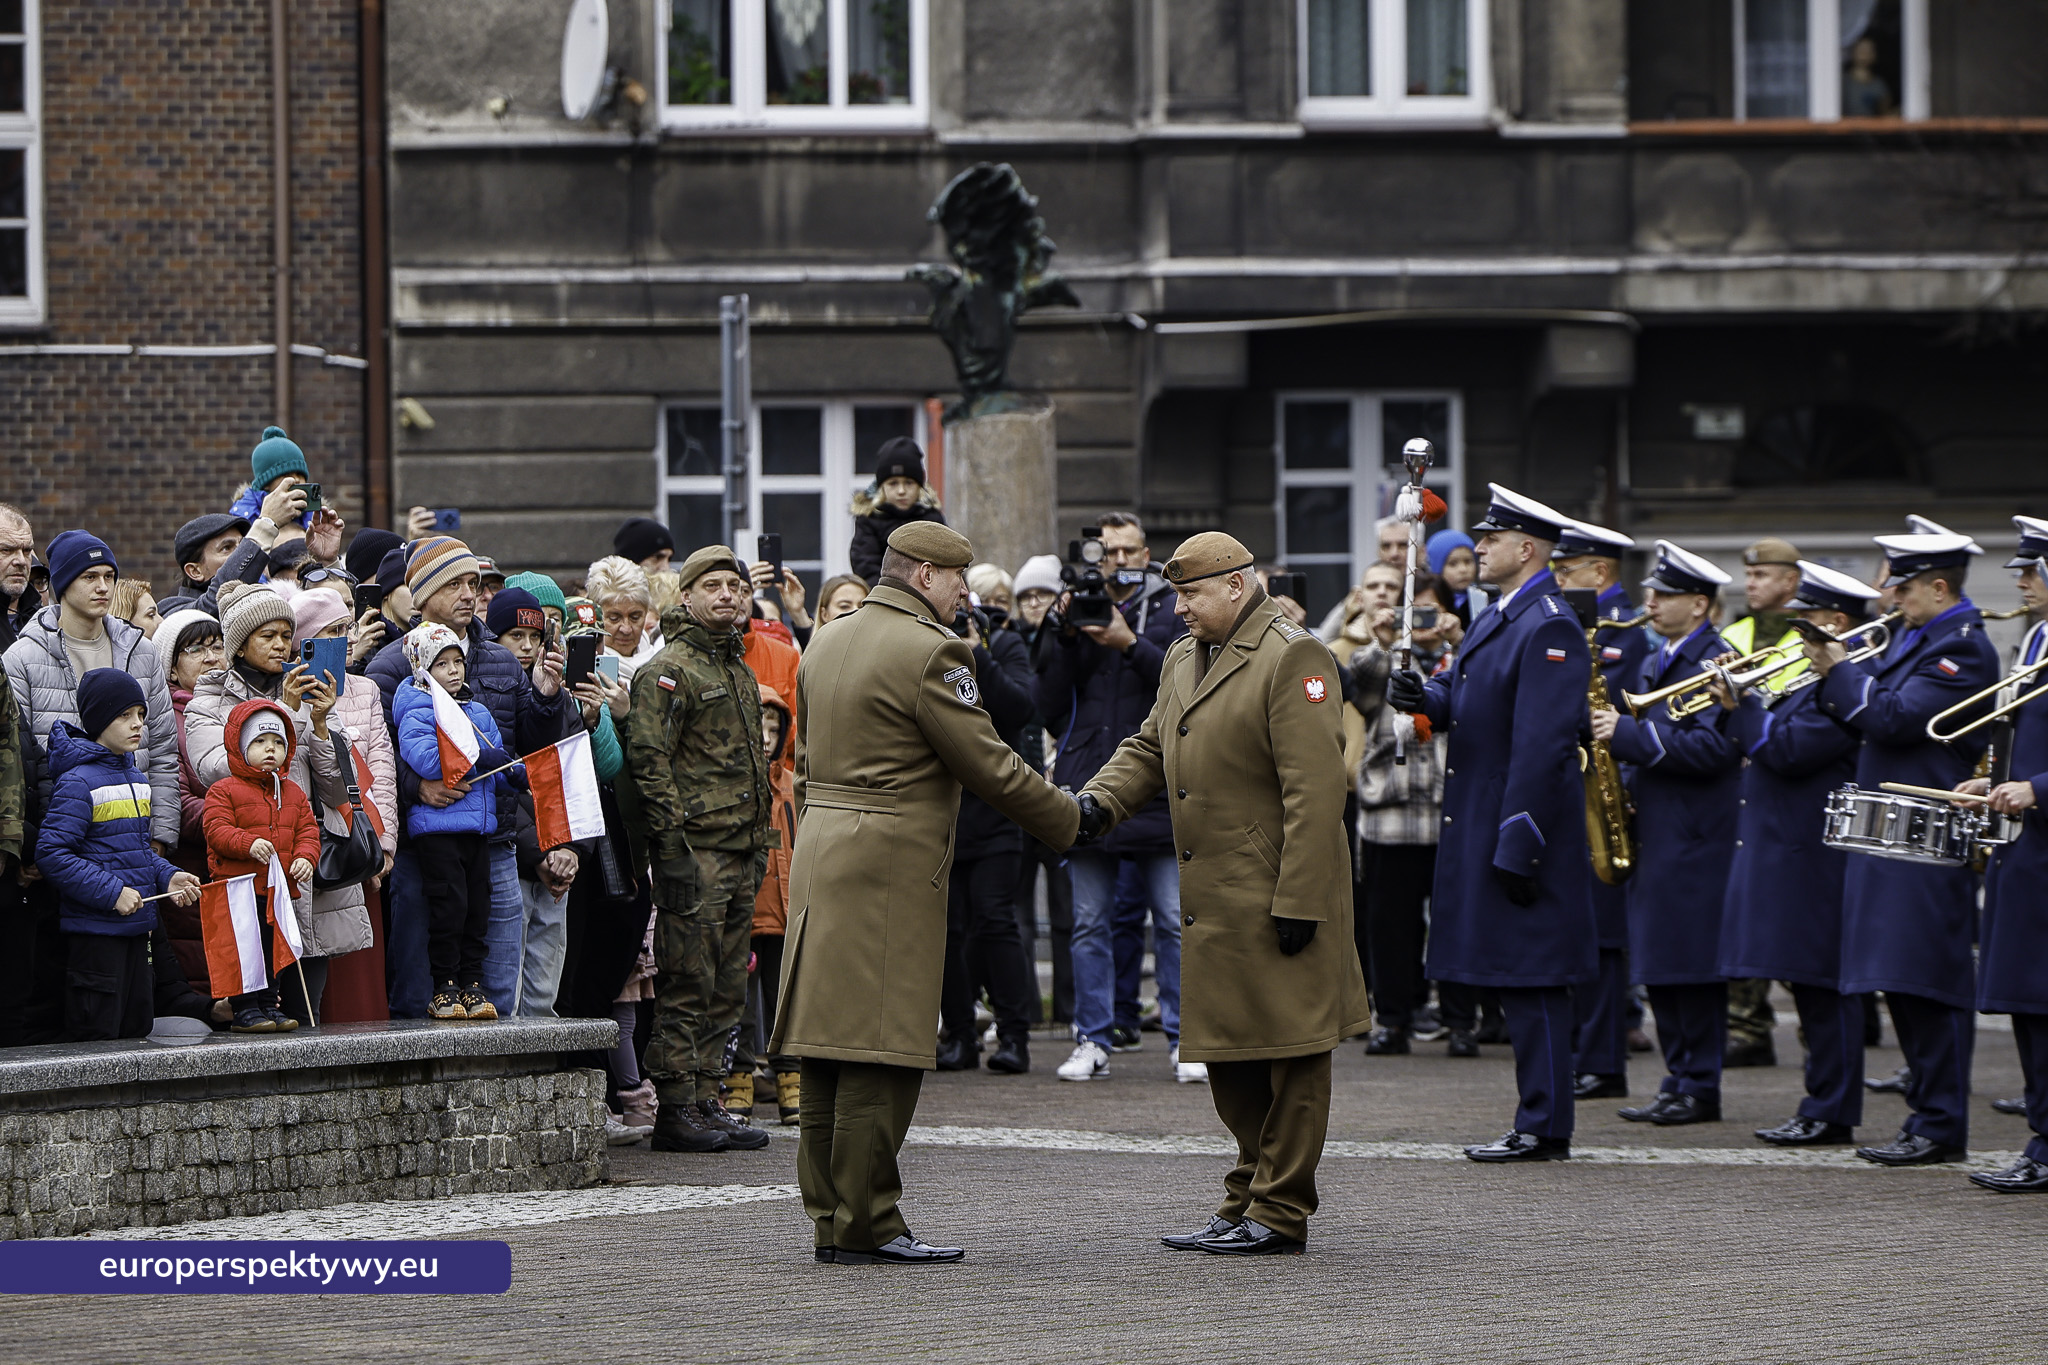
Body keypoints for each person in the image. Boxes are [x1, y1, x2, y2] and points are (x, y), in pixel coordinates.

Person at [772, 521, 1080, 1265]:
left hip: (821, 852)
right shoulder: (933, 650)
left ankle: (829, 1220)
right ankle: (869, 1221)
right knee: (880, 1048)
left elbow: (809, 764)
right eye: (956, 578)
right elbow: (990, 764)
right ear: (922, 575)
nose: (963, 593)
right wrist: (1071, 817)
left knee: (825, 1049)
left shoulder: (828, 638)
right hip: (887, 865)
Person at [1079, 532, 1368, 1255]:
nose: (1178, 608)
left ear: (1237, 586)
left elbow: (1316, 789)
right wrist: (1094, 805)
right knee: (1233, 1056)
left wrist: (1301, 899)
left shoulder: (1293, 654)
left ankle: (1278, 1210)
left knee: (1292, 1055)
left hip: (1278, 892)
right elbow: (1149, 745)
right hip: (1216, 894)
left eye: (1191, 593)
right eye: (1176, 594)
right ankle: (1247, 1192)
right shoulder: (1184, 655)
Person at [1388, 485, 1598, 1162]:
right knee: (1515, 973)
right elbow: (1473, 699)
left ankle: (1544, 1122)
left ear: (1527, 548)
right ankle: (1536, 1114)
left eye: (1492, 538)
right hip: (1487, 815)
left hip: (1519, 826)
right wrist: (1428, 695)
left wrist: (1521, 838)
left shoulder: (1549, 623)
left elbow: (1542, 744)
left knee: (1533, 975)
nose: (1478, 547)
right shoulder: (1501, 616)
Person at [1805, 529, 1998, 1166]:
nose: (1891, 595)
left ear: (1939, 587)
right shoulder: (1915, 635)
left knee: (1928, 978)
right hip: (1889, 828)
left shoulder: (1962, 649)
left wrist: (1837, 670)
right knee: (1897, 978)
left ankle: (1940, 1123)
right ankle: (1926, 1116)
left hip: (1926, 827)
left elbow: (1894, 718)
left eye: (1905, 586)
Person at [367, 535, 569, 1018]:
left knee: (496, 987)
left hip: (493, 839)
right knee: (422, 988)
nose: (468, 594)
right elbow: (375, 753)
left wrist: (544, 696)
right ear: (420, 594)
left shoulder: (500, 660)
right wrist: (419, 786)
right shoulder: (391, 665)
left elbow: (529, 748)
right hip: (425, 846)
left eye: (473, 584)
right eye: (453, 583)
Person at [1714, 561, 1874, 1147]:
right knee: (1808, 986)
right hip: (1792, 846)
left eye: (1806, 623)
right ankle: (1820, 1104)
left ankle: (1831, 1109)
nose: (1795, 635)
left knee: (1824, 986)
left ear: (1836, 622)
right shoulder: (1811, 680)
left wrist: (1741, 708)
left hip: (1818, 851)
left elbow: (1785, 751)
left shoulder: (1847, 681)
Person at [624, 545, 776, 1155]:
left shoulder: (736, 669)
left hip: (742, 848)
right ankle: (677, 1106)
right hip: (698, 849)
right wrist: (673, 850)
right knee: (689, 975)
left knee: (727, 981)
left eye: (735, 587)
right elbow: (649, 762)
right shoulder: (669, 670)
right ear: (685, 596)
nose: (727, 595)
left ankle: (708, 1096)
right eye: (711, 585)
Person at [1034, 512, 1196, 1084]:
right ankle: (1092, 1039)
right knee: (1089, 922)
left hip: (1153, 788)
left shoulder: (1176, 607)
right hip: (1089, 784)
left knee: (1176, 920)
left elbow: (1185, 688)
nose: (1120, 563)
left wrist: (1128, 644)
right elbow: (1049, 704)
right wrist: (1062, 631)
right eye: (1109, 554)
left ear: (1147, 553)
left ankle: (1185, 1038)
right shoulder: (1079, 603)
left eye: (1129, 552)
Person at [1590, 541, 1741, 1127]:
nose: (1648, 601)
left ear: (1698, 605)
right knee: (1661, 965)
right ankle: (1678, 1079)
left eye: (1664, 594)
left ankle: (1700, 1084)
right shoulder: (1663, 658)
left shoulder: (1713, 659)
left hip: (1696, 835)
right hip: (1661, 829)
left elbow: (1714, 749)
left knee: (1692, 967)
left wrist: (1625, 739)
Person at [184, 581, 367, 1025]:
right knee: (256, 992)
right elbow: (217, 771)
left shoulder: (308, 691)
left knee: (308, 1007)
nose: (281, 645)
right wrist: (285, 712)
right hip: (253, 866)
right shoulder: (208, 701)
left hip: (306, 865)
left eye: (287, 634)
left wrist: (321, 726)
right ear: (239, 644)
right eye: (268, 635)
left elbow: (339, 792)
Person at [36, 670, 202, 1041]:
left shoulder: (137, 779)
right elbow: (51, 853)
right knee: (98, 1036)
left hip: (136, 930)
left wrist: (167, 875)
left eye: (140, 715)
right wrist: (112, 892)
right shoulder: (78, 781)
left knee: (136, 1028)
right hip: (96, 937)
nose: (137, 724)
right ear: (98, 720)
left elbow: (137, 850)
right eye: (124, 716)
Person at [1347, 565, 1470, 1057]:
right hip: (1389, 816)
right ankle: (1393, 1021)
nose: (1420, 619)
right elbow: (1364, 680)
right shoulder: (1384, 659)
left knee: (1454, 924)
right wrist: (1383, 638)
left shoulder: (1464, 659)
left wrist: (1458, 642)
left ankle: (1461, 1022)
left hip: (1450, 815)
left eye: (1430, 609)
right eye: (1411, 610)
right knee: (1390, 927)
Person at [1549, 519, 1649, 1099]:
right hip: (1583, 784)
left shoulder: (1624, 631)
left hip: (1613, 787)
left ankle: (1604, 1056)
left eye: (1567, 571)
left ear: (1600, 572)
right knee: (1586, 931)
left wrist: (1625, 787)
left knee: (1606, 937)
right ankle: (1590, 1048)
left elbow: (1628, 713)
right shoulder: (1580, 621)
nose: (1559, 580)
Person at [1966, 516, 2048, 1191]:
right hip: (2029, 851)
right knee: (2029, 1000)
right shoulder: (2036, 639)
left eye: (2032, 569)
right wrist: (1996, 782)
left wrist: (2038, 789)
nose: (2019, 578)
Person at [1716, 536, 1810, 1067]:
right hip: (1742, 776)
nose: (1750, 584)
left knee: (1795, 912)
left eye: (1762, 576)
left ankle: (1823, 1029)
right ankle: (1747, 1026)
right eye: (1748, 577)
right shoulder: (1734, 633)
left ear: (1790, 582)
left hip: (1790, 769)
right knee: (1748, 908)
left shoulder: (1810, 636)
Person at [936, 602, 1041, 1074]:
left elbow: (1019, 708)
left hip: (997, 812)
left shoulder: (1003, 641)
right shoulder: (922, 649)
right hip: (944, 812)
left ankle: (1014, 1036)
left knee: (996, 921)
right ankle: (959, 1035)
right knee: (949, 929)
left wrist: (976, 650)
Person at [393, 623, 513, 1022]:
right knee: (449, 907)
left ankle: (472, 984)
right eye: (441, 664)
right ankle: (444, 986)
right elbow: (428, 761)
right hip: (438, 829)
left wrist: (514, 773)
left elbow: (497, 757)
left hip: (477, 829)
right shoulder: (416, 709)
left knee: (478, 907)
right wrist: (482, 755)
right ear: (422, 670)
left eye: (457, 661)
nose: (454, 671)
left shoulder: (476, 710)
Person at [292, 588, 399, 1023]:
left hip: (360, 844)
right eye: (333, 632)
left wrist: (384, 842)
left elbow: (382, 770)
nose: (347, 638)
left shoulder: (366, 689)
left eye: (346, 628)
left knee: (360, 967)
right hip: (315, 846)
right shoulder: (292, 692)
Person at [201, 697, 322, 1031]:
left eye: (278, 742)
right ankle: (244, 1009)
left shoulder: (293, 792)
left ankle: (270, 1004)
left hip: (277, 891)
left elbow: (308, 831)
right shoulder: (223, 790)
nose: (271, 749)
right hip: (239, 891)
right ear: (240, 746)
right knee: (244, 952)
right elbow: (215, 829)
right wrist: (247, 843)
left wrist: (304, 857)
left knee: (274, 950)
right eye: (260, 742)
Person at [731, 686, 800, 1123]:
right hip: (743, 907)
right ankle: (739, 1079)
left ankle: (790, 1077)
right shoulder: (731, 782)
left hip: (785, 909)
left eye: (774, 728)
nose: (766, 736)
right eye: (759, 725)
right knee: (739, 1000)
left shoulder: (792, 786)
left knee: (785, 998)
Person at [848, 438, 947, 586]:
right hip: (884, 596)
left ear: (920, 486)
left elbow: (947, 560)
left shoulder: (933, 519)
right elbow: (866, 565)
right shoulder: (869, 519)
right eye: (893, 483)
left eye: (909, 483)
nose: (901, 491)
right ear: (882, 487)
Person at [587, 556, 661, 682]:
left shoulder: (662, 663)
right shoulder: (583, 667)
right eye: (614, 618)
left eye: (635, 617)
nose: (626, 629)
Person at [1428, 528, 1478, 626]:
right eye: (1453, 564)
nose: (1463, 569)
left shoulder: (1484, 599)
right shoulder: (1431, 601)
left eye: (1468, 561)